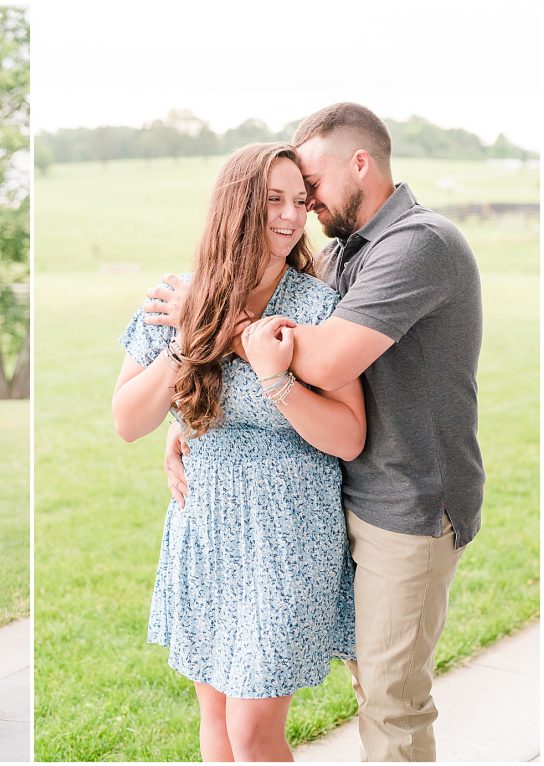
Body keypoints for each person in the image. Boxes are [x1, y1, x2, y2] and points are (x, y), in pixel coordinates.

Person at [151, 103, 484, 762]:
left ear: (359, 163)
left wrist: (210, 315)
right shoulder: (342, 256)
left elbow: (323, 359)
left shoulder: (420, 242)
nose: (305, 205)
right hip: (344, 494)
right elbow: (282, 361)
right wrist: (197, 420)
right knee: (369, 684)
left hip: (406, 504)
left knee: (392, 702)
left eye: (311, 185)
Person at [113, 142, 365, 761]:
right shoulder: (177, 298)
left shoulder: (315, 308)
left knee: (254, 731)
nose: (289, 216)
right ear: (235, 205)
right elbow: (127, 419)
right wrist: (191, 341)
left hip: (288, 532)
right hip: (205, 526)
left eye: (299, 202)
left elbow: (349, 435)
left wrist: (276, 379)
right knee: (218, 722)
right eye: (272, 199)